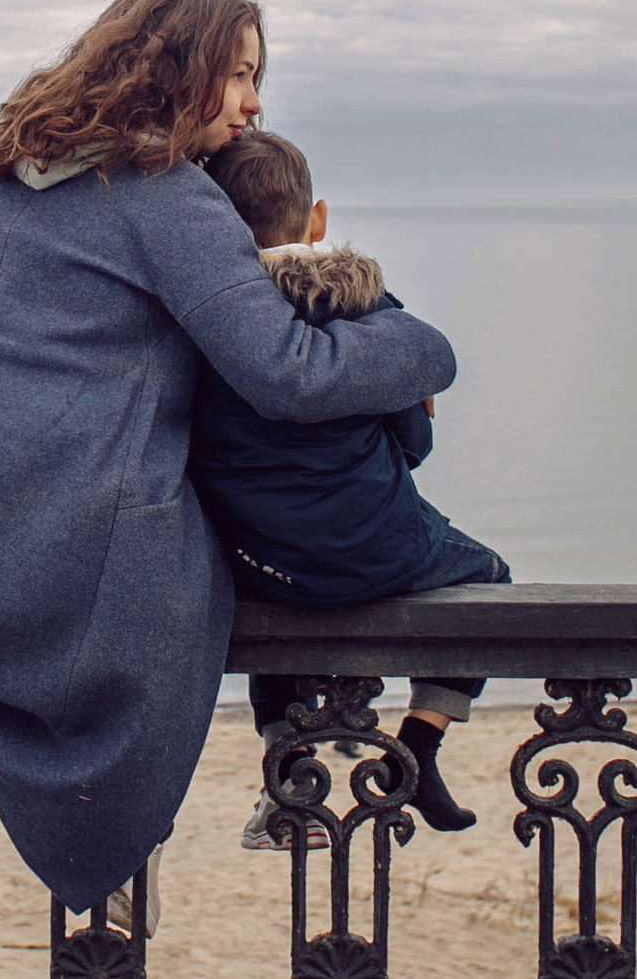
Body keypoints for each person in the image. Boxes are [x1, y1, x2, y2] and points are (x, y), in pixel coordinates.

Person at [0, 0, 457, 934]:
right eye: (241, 75)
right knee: (185, 585)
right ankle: (129, 853)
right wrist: (426, 350)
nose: (255, 102)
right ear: (183, 71)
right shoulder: (165, 194)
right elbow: (284, 372)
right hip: (52, 550)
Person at [188, 128, 511, 847]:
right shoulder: (366, 310)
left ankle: (289, 768)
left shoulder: (210, 330)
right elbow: (415, 446)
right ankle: (420, 747)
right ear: (318, 220)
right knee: (492, 579)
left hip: (263, 565)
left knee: (270, 612)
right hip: (381, 552)